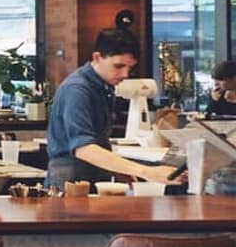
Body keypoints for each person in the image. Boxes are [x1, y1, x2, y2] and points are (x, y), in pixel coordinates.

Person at [45, 28, 180, 190]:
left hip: (92, 173)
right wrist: (147, 172)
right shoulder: (77, 90)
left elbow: (97, 141)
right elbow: (84, 148)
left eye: (130, 68)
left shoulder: (103, 87)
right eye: (118, 66)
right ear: (97, 57)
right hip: (71, 177)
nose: (125, 74)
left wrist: (116, 169)